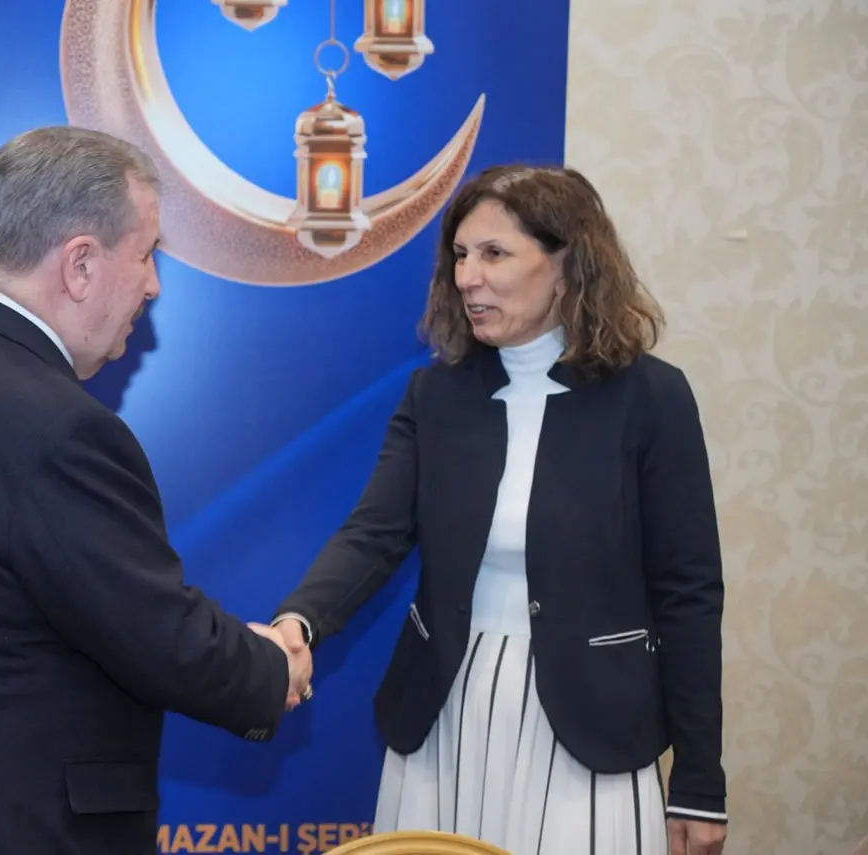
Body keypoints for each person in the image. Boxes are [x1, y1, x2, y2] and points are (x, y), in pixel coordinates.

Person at [0, 126, 310, 855]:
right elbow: (154, 632)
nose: (154, 285)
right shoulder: (57, 425)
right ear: (80, 264)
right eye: (147, 253)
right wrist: (271, 668)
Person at [271, 165, 728, 855]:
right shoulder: (435, 395)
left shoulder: (651, 399)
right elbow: (374, 533)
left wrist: (699, 778)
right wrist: (299, 619)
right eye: (460, 254)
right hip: (446, 715)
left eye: (494, 253)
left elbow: (688, 592)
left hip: (593, 728)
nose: (467, 276)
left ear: (567, 265)